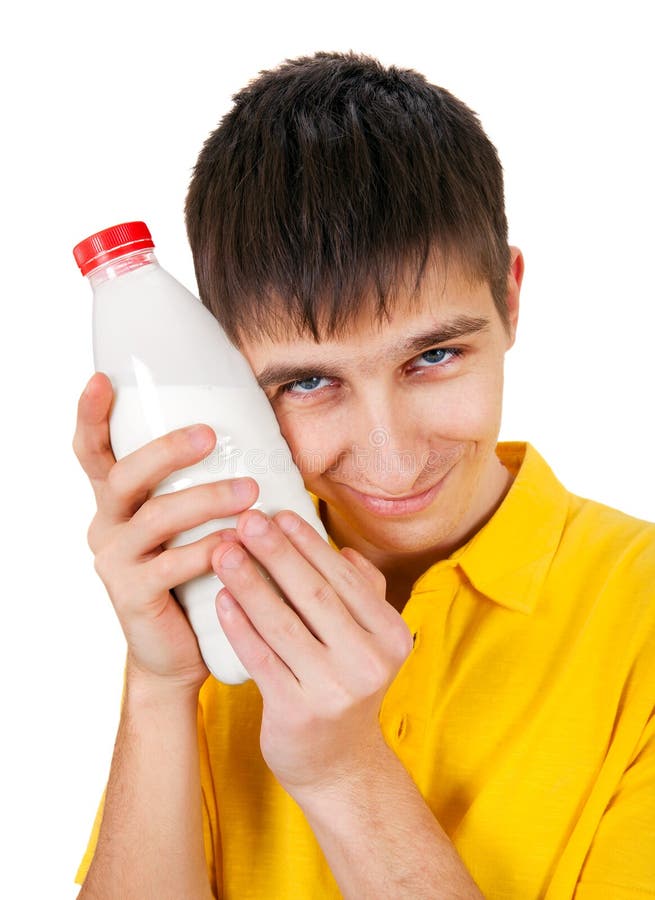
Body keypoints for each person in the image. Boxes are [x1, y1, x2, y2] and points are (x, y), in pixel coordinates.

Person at [72, 50, 655, 899]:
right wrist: (161, 686)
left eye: (434, 356)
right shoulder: (218, 600)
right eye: (308, 382)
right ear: (229, 371)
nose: (390, 456)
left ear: (511, 300)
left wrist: (342, 771)